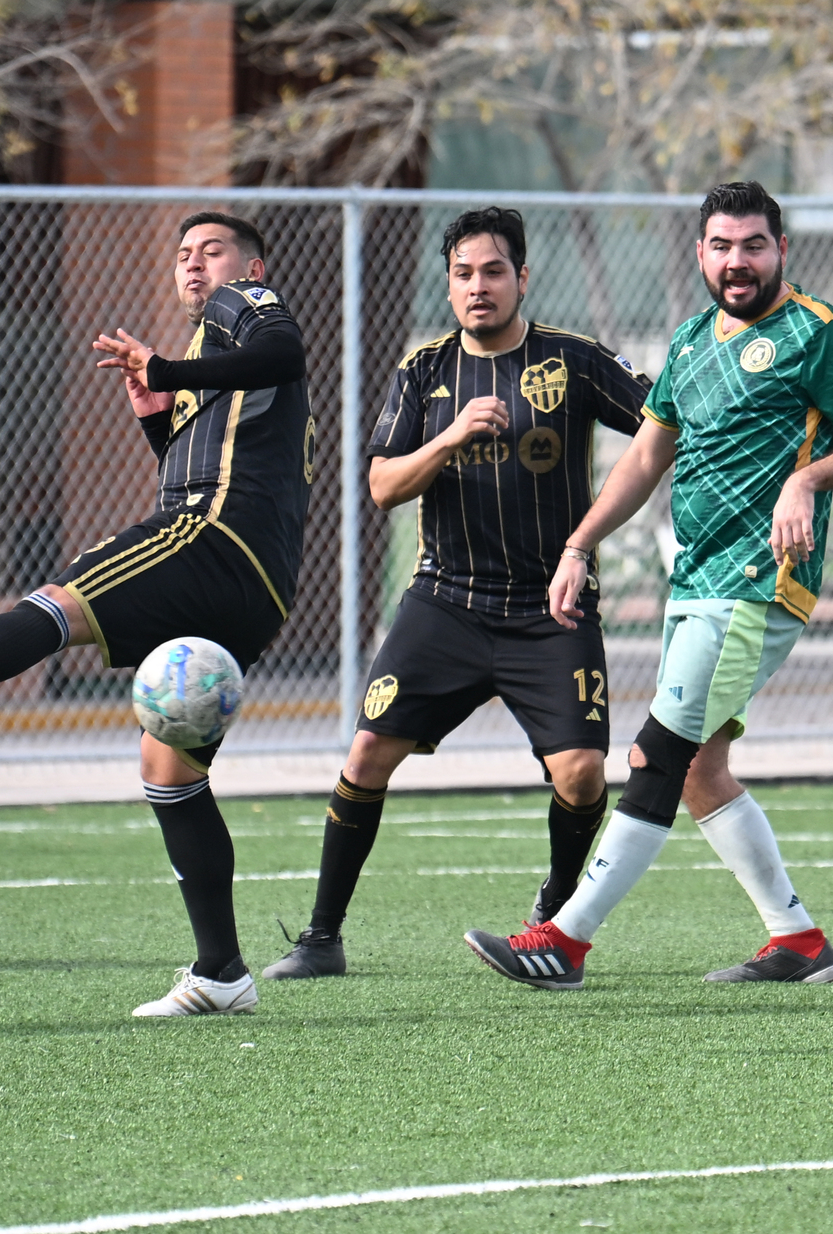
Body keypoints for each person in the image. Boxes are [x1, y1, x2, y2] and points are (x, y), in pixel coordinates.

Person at [0, 213, 314, 1017]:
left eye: (210, 251)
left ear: (251, 262)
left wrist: (168, 365)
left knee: (58, 604)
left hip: (214, 536)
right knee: (169, 769)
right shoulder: (217, 367)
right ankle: (222, 974)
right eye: (184, 255)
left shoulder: (246, 304)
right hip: (254, 578)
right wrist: (157, 409)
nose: (194, 266)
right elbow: (204, 454)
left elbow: (288, 350)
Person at [461, 181, 833, 990]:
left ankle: (566, 940)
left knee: (657, 754)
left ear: (781, 251)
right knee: (701, 768)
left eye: (754, 246)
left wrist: (806, 481)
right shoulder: (694, 338)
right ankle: (800, 943)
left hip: (758, 581)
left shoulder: (818, 332)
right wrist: (579, 544)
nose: (738, 262)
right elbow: (643, 457)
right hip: (695, 580)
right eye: (722, 247)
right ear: (701, 252)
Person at [260, 207, 648, 981]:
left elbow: (661, 427)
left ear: (523, 278)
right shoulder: (424, 369)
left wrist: (590, 535)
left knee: (581, 776)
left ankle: (552, 924)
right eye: (464, 274)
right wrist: (447, 439)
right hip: (447, 603)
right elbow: (379, 487)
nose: (479, 287)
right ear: (449, 283)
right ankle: (321, 937)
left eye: (494, 271)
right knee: (368, 753)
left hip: (550, 610)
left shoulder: (572, 360)